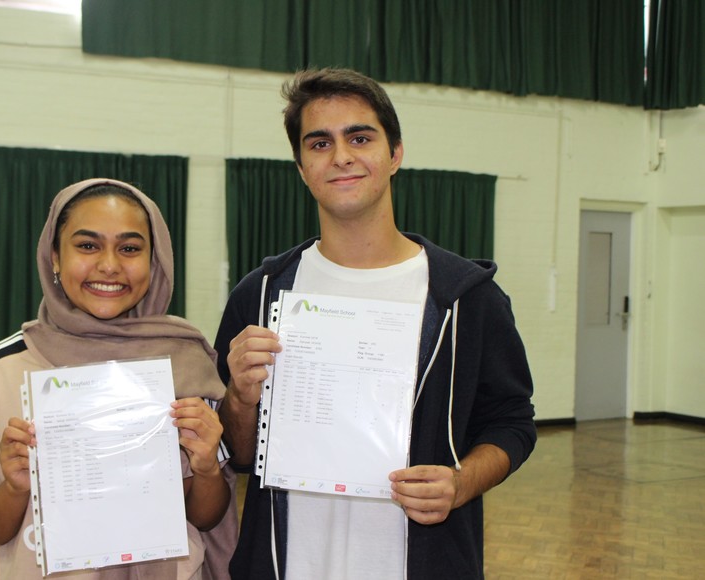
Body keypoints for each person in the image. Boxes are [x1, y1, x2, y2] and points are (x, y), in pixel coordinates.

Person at [214, 68, 537, 579]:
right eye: (320, 143)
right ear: (301, 168)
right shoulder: (261, 295)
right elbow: (238, 455)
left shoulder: (465, 297)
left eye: (360, 138)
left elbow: (512, 421)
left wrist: (462, 483)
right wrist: (238, 398)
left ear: (395, 154)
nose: (341, 156)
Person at [0, 178, 238, 579]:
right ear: (54, 257)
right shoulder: (3, 367)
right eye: (87, 245)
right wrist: (14, 488)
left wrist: (206, 469)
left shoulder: (185, 360)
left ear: (154, 260)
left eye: (129, 248)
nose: (109, 265)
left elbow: (205, 517)